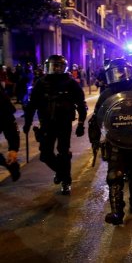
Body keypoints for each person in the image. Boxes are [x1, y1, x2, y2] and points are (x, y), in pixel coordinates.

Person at [88, 58, 132, 225]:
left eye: (122, 71)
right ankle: (117, 211)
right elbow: (97, 116)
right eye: (115, 72)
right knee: (114, 176)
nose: (119, 75)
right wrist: (95, 139)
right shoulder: (106, 93)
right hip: (115, 140)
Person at [23, 55, 86, 194]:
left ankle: (65, 181)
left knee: (63, 152)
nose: (56, 68)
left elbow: (81, 104)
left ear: (64, 68)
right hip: (46, 123)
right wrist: (27, 122)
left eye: (59, 66)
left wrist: (81, 122)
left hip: (64, 123)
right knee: (45, 154)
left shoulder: (70, 83)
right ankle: (62, 173)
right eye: (53, 66)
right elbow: (32, 104)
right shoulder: (41, 83)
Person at [0, 89, 21, 181]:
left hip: (3, 116)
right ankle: (11, 166)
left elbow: (9, 123)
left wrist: (13, 148)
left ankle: (11, 165)